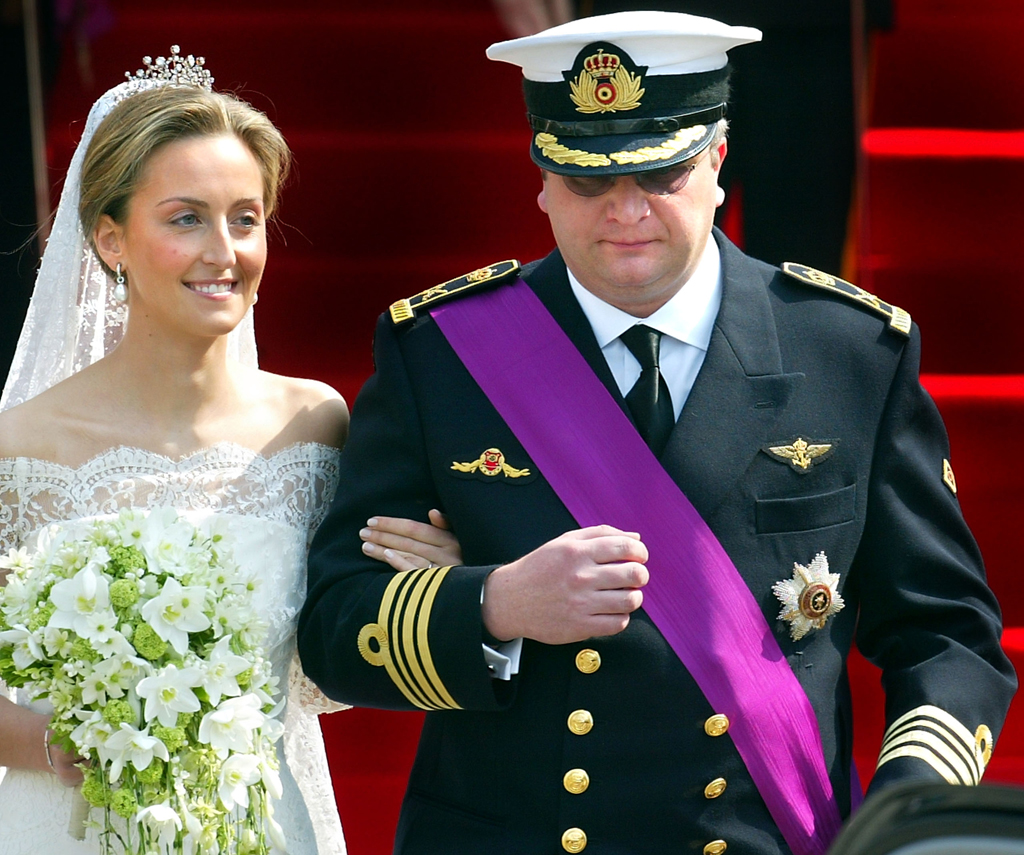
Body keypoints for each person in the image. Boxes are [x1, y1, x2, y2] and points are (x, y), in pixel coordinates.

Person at [299, 11, 1015, 855]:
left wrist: (906, 812)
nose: (626, 211)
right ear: (539, 177)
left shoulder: (849, 351)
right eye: (587, 179)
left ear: (717, 158)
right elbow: (335, 627)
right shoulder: (441, 354)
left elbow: (946, 632)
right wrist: (494, 603)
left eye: (661, 173)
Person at [0, 49, 460, 855]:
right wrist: (63, 745)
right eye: (185, 218)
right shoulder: (14, 451)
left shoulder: (317, 425)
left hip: (256, 822)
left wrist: (414, 592)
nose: (224, 251)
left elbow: (323, 672)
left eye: (245, 217)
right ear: (111, 239)